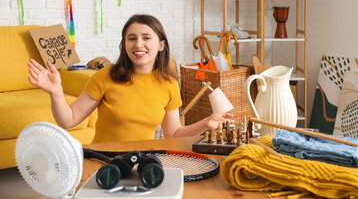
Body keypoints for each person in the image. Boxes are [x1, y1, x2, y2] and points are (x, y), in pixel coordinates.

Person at [28, 14, 234, 143]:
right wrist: (56, 92)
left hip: (141, 160)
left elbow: (172, 134)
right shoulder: (105, 77)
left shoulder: (169, 84)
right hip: (104, 160)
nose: (138, 45)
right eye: (131, 38)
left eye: (146, 38)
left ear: (161, 45)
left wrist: (207, 123)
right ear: (124, 44)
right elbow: (68, 120)